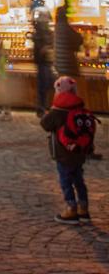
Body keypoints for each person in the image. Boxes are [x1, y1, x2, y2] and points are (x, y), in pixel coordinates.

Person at [40, 76, 94, 223]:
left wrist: (48, 112)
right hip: (79, 153)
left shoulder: (58, 110)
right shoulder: (79, 106)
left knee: (65, 181)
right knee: (79, 180)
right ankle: (84, 208)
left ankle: (71, 209)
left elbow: (45, 124)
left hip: (64, 154)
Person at [31, 1, 55, 117]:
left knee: (45, 85)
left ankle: (42, 107)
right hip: (44, 61)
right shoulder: (43, 32)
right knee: (45, 85)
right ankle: (42, 108)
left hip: (43, 61)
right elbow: (43, 47)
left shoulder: (39, 32)